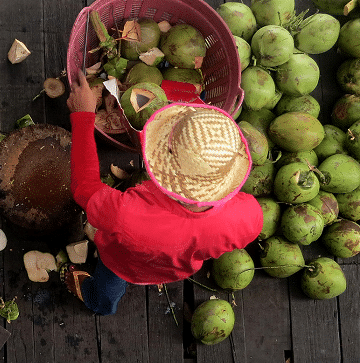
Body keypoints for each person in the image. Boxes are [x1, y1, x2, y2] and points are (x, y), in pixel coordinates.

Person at [64, 69, 263, 315]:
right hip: (176, 269)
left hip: (122, 262)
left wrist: (83, 116)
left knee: (109, 285)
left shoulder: (126, 215)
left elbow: (84, 188)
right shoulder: (250, 216)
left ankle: (99, 303)